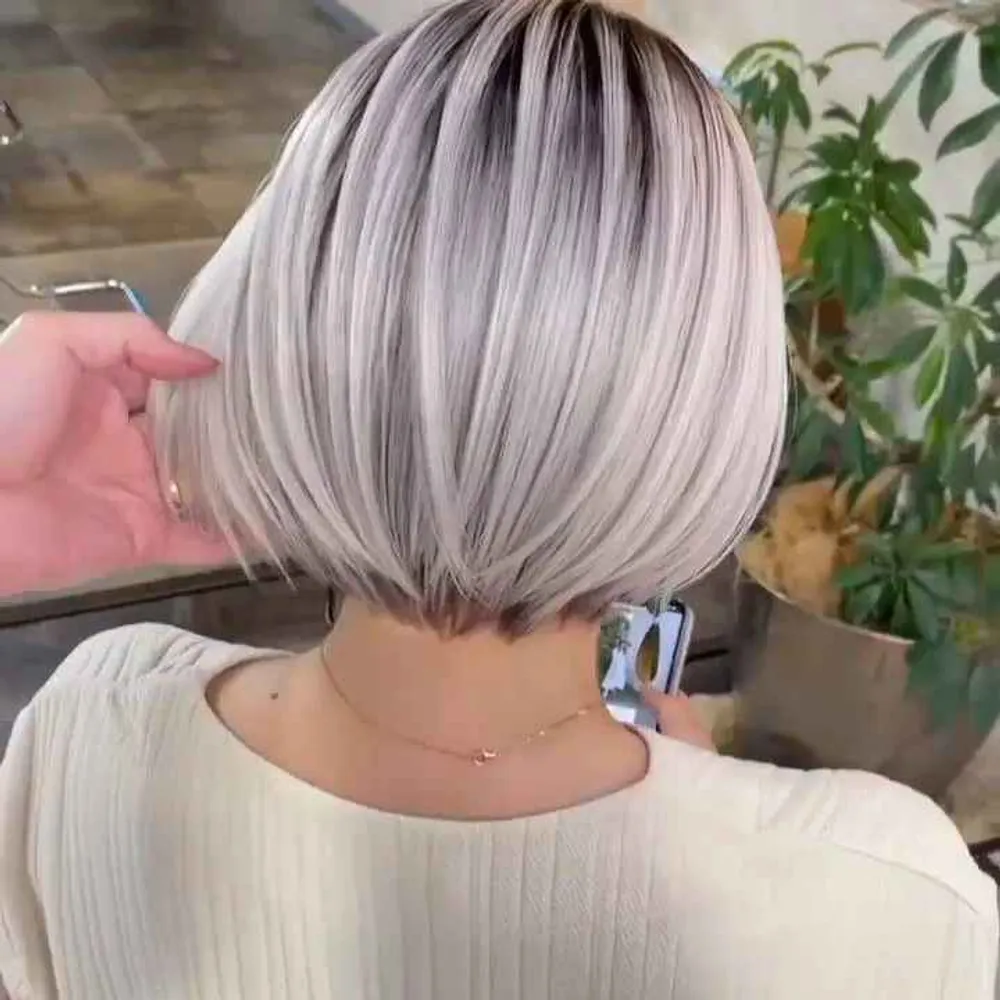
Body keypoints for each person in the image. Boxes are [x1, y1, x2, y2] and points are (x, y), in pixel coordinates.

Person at [0, 1, 995, 997]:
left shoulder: (90, 730)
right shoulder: (893, 895)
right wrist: (721, 812)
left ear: (286, 303)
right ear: (702, 394)